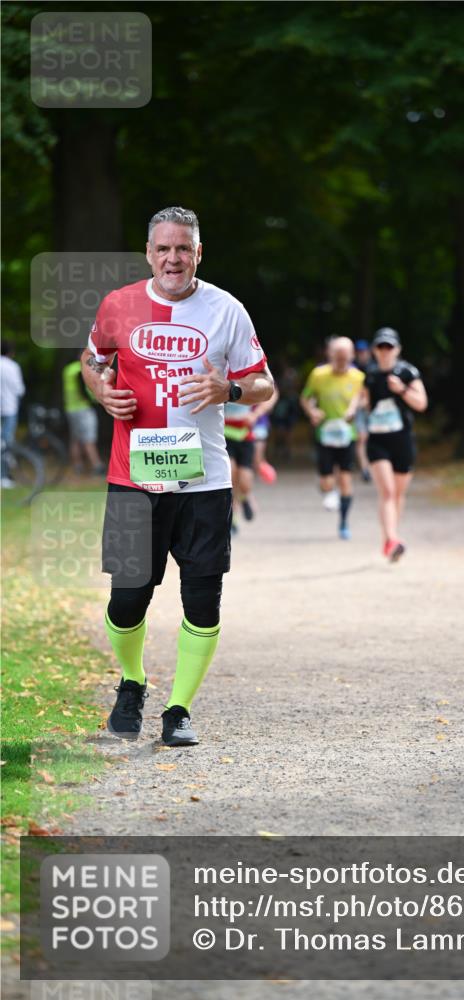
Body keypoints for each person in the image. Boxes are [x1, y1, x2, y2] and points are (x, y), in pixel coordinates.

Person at [80, 206, 273, 747]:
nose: (173, 258)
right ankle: (133, 682)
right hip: (132, 476)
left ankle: (179, 709)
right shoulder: (118, 305)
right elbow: (91, 360)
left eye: (183, 248)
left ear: (198, 253)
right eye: (163, 248)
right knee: (127, 600)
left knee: (203, 600)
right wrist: (101, 389)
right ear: (149, 253)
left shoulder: (226, 310)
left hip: (205, 481)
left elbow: (264, 384)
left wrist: (228, 390)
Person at [362, 328, 428, 562]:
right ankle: (392, 539)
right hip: (378, 440)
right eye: (380, 346)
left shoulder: (408, 372)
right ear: (374, 350)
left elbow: (421, 403)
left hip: (402, 440)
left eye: (389, 347)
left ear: (397, 349)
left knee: (398, 495)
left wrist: (401, 389)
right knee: (387, 492)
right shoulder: (369, 376)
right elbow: (365, 405)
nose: (385, 351)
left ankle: (390, 539)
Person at [300, 337, 364, 539]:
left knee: (345, 479)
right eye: (338, 358)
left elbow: (363, 397)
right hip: (324, 434)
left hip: (347, 434)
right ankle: (327, 488)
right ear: (330, 356)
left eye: (346, 359)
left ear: (352, 356)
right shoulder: (319, 375)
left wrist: (355, 409)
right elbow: (305, 398)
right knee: (327, 482)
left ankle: (344, 522)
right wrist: (312, 412)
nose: (342, 363)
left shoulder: (358, 377)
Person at [224, 389, 278, 526]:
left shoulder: (250, 372)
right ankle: (232, 514)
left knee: (245, 481)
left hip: (245, 435)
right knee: (230, 473)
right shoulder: (218, 371)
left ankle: (244, 497)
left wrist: (255, 414)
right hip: (224, 434)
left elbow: (272, 393)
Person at [62, 358, 105, 475]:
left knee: (75, 439)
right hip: (83, 408)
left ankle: (78, 466)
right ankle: (97, 466)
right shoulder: (82, 369)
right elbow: (85, 389)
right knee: (89, 438)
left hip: (70, 408)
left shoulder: (68, 369)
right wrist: (95, 399)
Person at [0, 339, 25, 488]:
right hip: (9, 408)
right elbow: (19, 389)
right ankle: (4, 476)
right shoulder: (12, 366)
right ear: (11, 352)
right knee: (7, 443)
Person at [354, 339, 372, 482]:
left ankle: (371, 467)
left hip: (373, 407)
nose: (362, 354)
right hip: (358, 407)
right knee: (362, 438)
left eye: (363, 351)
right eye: (359, 352)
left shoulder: (374, 367)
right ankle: (365, 469)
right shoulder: (352, 369)